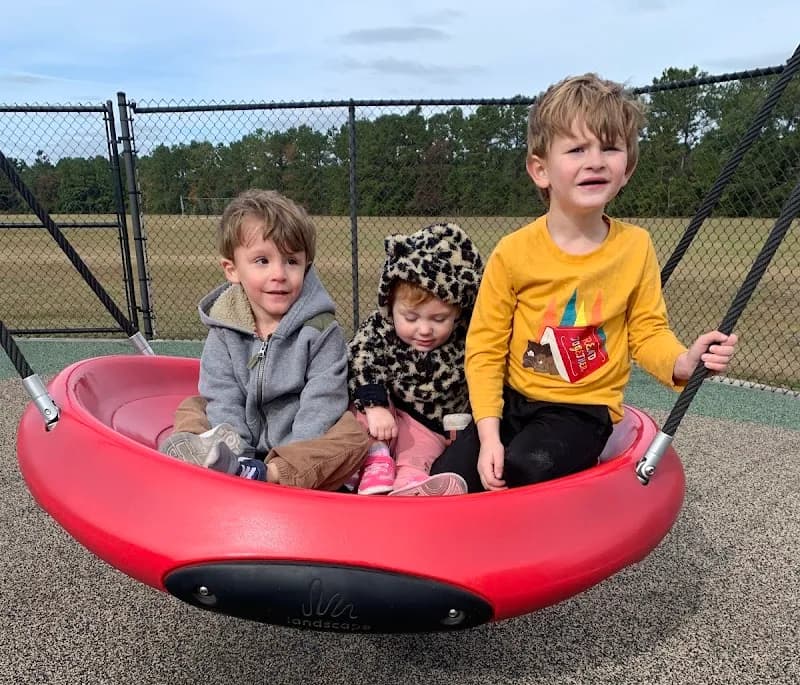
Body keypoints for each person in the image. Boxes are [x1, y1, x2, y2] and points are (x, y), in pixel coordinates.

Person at [431, 73, 737, 493]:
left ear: (626, 167)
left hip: (583, 409)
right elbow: (484, 347)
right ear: (541, 170)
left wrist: (683, 363)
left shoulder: (635, 247)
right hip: (514, 401)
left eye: (610, 148)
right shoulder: (514, 251)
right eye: (577, 149)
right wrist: (487, 434)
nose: (596, 161)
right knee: (450, 473)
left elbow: (646, 333)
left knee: (528, 467)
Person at [160, 188, 370, 489]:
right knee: (193, 406)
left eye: (291, 261)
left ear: (306, 266)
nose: (279, 274)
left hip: (296, 449)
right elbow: (223, 394)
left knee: (352, 434)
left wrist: (292, 454)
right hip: (235, 437)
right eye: (262, 261)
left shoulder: (321, 330)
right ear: (232, 270)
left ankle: (265, 474)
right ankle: (208, 454)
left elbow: (322, 401)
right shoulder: (224, 330)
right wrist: (238, 450)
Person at [348, 222, 483, 497]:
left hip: (429, 424)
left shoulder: (467, 341)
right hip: (386, 408)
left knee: (418, 456)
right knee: (357, 420)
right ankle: (370, 460)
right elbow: (362, 359)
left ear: (458, 314)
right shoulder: (379, 330)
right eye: (410, 318)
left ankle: (409, 488)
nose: (424, 330)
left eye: (439, 319)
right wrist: (374, 406)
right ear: (390, 306)